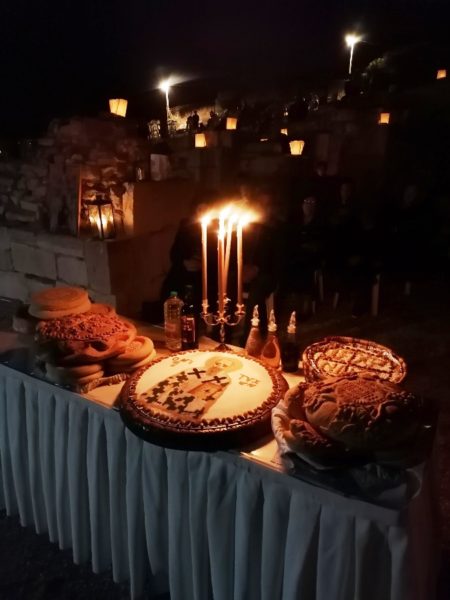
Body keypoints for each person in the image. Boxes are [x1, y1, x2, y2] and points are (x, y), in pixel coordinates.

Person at [277, 195, 326, 319]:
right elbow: (291, 238)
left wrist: (312, 246)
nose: (309, 205)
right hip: (296, 254)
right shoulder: (296, 221)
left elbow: (322, 241)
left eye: (312, 202)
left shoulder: (320, 222)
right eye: (306, 202)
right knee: (289, 264)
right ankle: (285, 302)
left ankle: (305, 306)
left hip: (312, 255)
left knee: (305, 269)